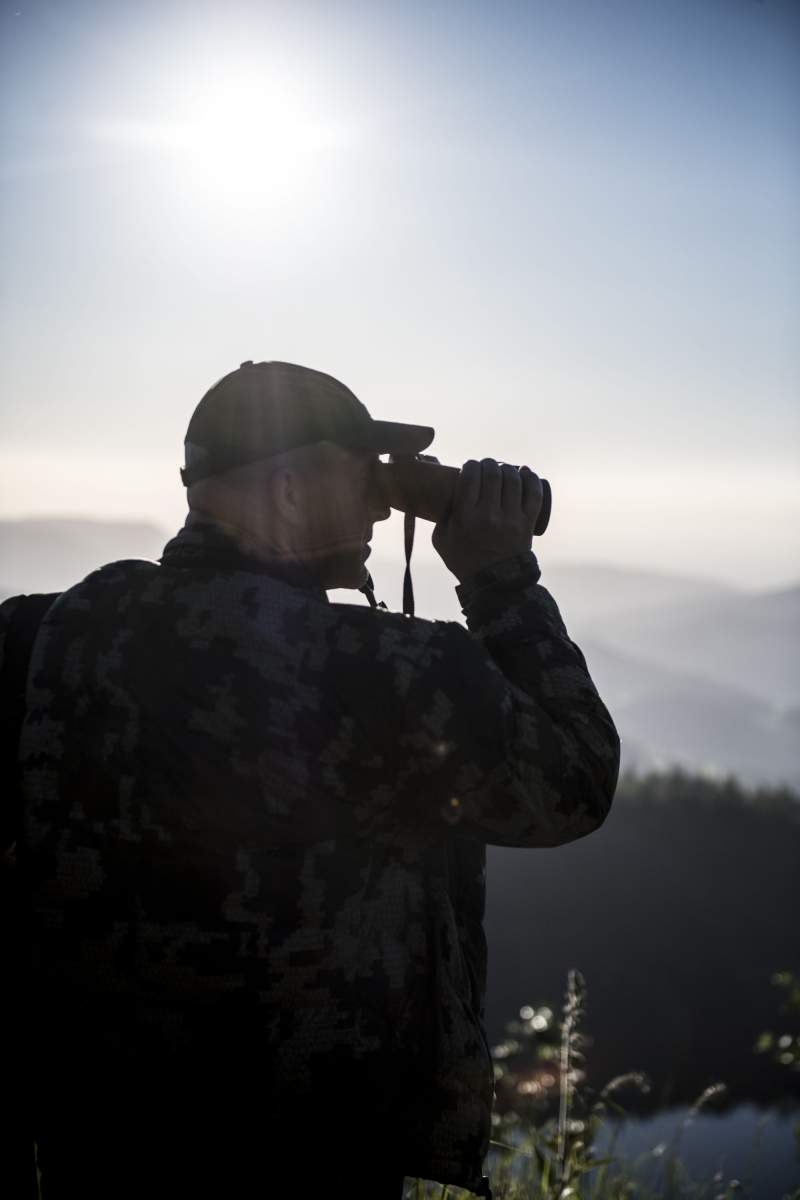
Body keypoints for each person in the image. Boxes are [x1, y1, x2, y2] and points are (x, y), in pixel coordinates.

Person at [1, 360, 621, 1199]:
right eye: (365, 476)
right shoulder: (382, 667)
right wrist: (501, 577)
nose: (380, 503)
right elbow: (574, 782)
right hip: (311, 1152)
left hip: (95, 1139)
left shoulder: (36, 636)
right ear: (289, 490)